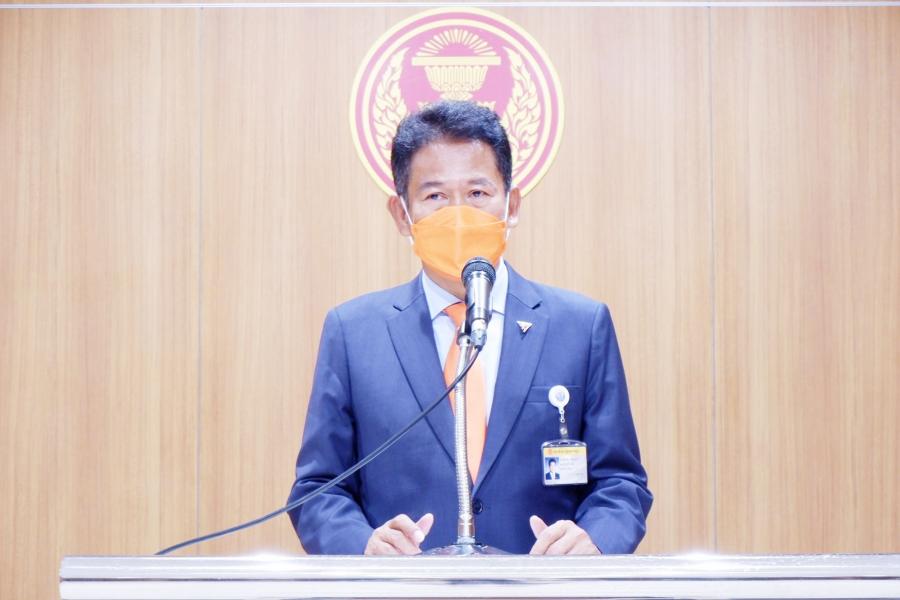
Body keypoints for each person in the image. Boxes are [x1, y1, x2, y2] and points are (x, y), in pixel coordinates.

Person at [288, 101, 651, 556]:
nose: (458, 214)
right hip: (403, 590)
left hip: (543, 588)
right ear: (402, 215)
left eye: (478, 193)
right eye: (435, 197)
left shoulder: (579, 326)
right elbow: (318, 489)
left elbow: (621, 483)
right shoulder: (353, 333)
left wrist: (595, 538)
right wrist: (363, 545)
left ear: (511, 205)